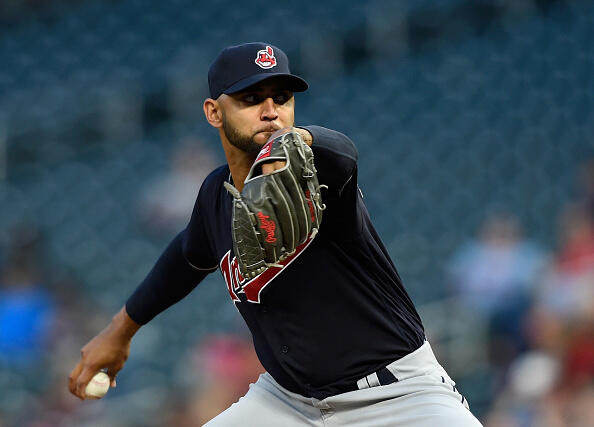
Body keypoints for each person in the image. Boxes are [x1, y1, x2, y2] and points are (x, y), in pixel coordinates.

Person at [69, 42, 482, 426]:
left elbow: (343, 153)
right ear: (214, 112)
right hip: (287, 403)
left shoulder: (316, 173)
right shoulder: (216, 195)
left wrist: (298, 140)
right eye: (251, 99)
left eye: (281, 98)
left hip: (397, 395)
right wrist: (119, 331)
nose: (271, 111)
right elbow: (186, 257)